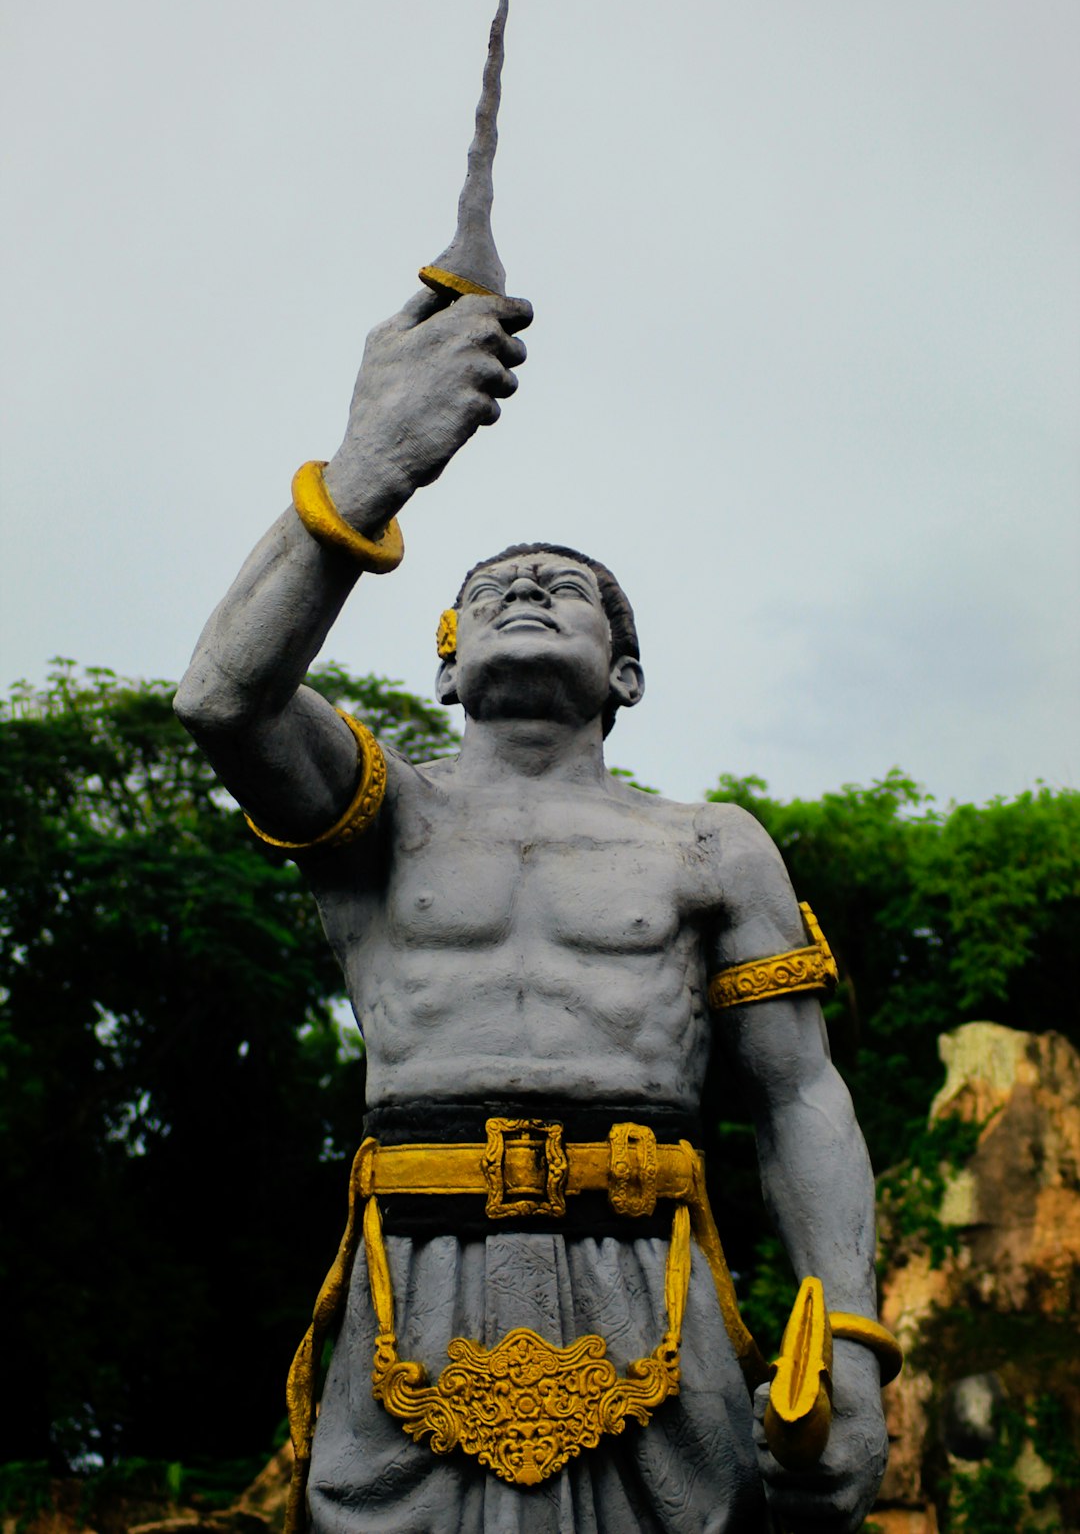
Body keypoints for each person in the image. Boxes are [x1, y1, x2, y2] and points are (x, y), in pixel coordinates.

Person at [175, 284, 895, 1534]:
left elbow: (797, 1094)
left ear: (623, 671)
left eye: (564, 585)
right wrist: (369, 470)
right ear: (445, 665)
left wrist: (850, 1335)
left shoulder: (712, 844)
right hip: (417, 1281)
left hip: (652, 1280)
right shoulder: (381, 811)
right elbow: (223, 700)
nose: (525, 585)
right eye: (496, 580)